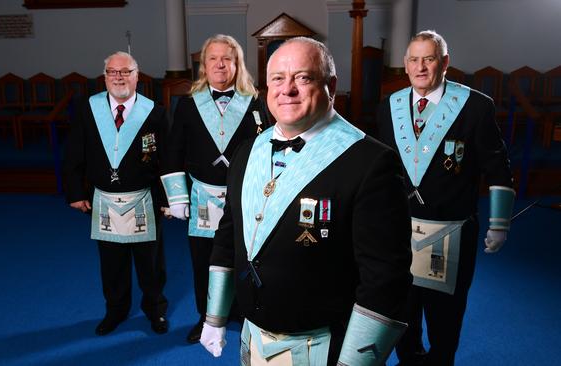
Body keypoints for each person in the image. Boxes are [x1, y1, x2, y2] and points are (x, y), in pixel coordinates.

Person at [198, 37, 413, 365]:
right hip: (253, 338)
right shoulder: (246, 152)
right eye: (278, 79)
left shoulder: (370, 162)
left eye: (303, 77)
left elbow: (385, 279)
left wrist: (355, 362)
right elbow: (228, 238)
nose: (288, 89)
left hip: (324, 346)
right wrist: (215, 316)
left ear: (331, 85)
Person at [375, 30, 515, 366]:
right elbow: (382, 171)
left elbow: (498, 169)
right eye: (413, 59)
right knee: (402, 314)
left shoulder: (476, 106)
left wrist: (499, 225)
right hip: (400, 233)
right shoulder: (388, 107)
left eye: (429, 58)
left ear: (445, 63)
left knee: (445, 320)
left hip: (451, 232)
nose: (420, 67)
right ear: (405, 66)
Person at [160, 34, 269, 344]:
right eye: (213, 58)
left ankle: (240, 311)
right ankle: (205, 316)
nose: (221, 64)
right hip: (201, 198)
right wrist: (177, 199)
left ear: (237, 64)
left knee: (244, 260)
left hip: (243, 199)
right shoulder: (188, 105)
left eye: (228, 58)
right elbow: (173, 153)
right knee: (203, 262)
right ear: (204, 66)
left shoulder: (256, 103)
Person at [63, 51, 169, 336]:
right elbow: (74, 151)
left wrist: (167, 199)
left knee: (151, 264)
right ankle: (115, 311)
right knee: (111, 264)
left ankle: (155, 311)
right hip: (104, 199)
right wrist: (74, 191)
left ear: (137, 75)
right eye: (112, 72)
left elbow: (167, 159)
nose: (119, 77)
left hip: (143, 199)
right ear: (105, 76)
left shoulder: (155, 111)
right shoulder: (88, 108)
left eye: (125, 71)